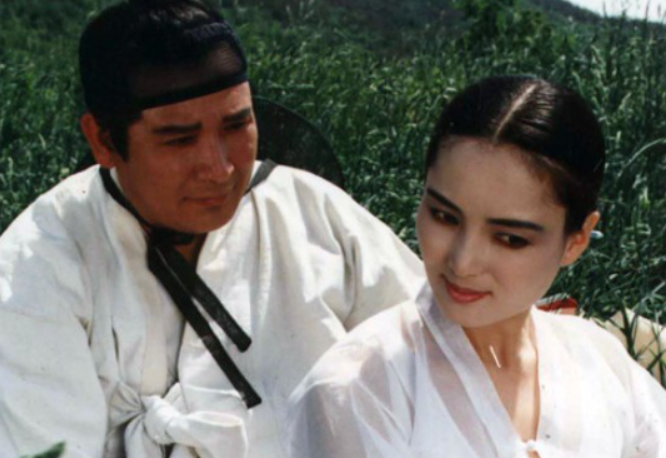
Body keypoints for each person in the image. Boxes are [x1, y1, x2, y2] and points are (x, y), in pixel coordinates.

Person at [0, 1, 424, 457]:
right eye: (180, 140)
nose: (220, 169)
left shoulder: (310, 211)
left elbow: (438, 358)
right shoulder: (34, 270)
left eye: (236, 125)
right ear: (104, 140)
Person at [287, 75, 666, 457]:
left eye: (510, 239)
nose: (463, 262)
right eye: (444, 216)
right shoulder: (359, 390)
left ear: (577, 239)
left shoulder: (602, 365)